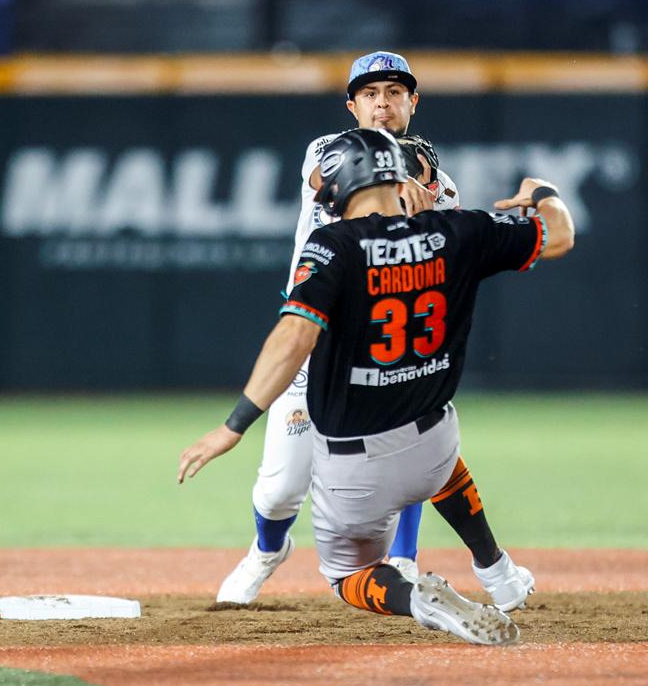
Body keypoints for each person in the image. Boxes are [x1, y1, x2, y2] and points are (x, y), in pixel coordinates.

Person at [179, 127, 574, 646]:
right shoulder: (460, 231)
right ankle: (494, 569)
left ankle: (417, 598)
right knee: (437, 458)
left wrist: (233, 427)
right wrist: (542, 190)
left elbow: (295, 335)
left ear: (347, 184)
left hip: (355, 470)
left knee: (347, 578)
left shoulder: (334, 245)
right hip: (436, 446)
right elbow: (560, 234)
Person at [215, 51, 529, 610]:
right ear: (352, 105)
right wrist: (402, 176)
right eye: (370, 94)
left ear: (413, 101)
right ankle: (267, 551)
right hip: (310, 346)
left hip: (378, 355)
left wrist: (425, 190)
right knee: (281, 488)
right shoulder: (325, 151)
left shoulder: (443, 187)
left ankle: (404, 560)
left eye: (394, 92)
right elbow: (325, 176)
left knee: (407, 446)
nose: (382, 103)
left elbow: (439, 225)